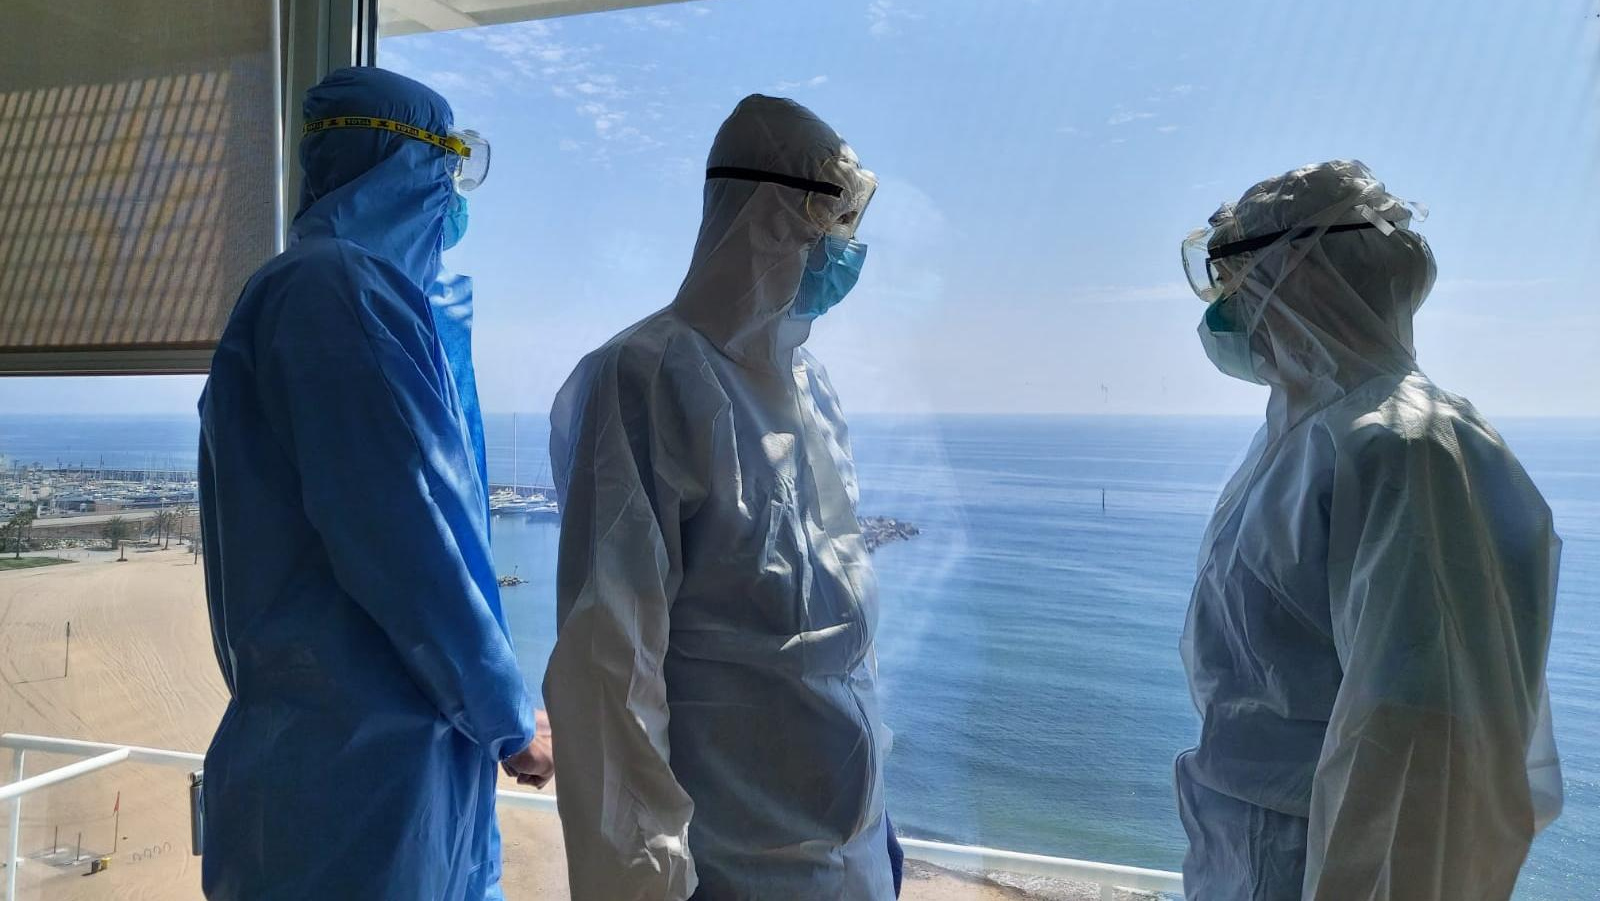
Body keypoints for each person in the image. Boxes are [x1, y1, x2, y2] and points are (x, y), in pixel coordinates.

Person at [197, 67, 551, 901]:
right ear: (406, 167)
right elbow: (411, 544)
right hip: (359, 795)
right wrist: (508, 720)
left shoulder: (311, 290)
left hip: (345, 774)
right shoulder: (339, 292)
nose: (455, 197)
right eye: (451, 165)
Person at [1175, 159, 1562, 900]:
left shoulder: (1406, 448)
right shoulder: (1310, 437)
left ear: (1303, 282)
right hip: (1252, 855)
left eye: (1235, 280)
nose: (1222, 309)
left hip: (1313, 868)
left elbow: (1420, 751)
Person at [543, 94, 895, 901]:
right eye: (833, 217)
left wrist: (879, 827)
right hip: (736, 875)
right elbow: (610, 673)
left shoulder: (810, 388)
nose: (846, 246)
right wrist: (644, 886)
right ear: (769, 214)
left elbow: (836, 643)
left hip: (855, 864)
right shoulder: (649, 378)